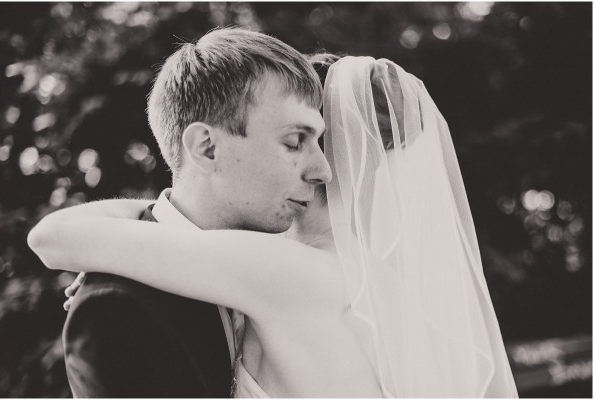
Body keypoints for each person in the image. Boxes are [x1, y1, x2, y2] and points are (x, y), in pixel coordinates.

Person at [29, 55, 519, 397]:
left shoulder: (292, 272)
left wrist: (135, 235)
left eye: (308, 138)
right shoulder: (377, 280)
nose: (313, 160)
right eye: (293, 139)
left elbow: (52, 238)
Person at [27, 27, 331, 397]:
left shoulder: (289, 262)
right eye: (295, 141)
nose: (322, 170)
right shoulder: (118, 308)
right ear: (206, 148)